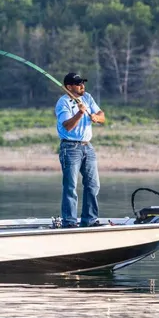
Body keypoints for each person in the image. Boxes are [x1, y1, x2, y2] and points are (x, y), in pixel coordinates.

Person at [55, 72, 105, 228]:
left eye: (83, 83)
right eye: (78, 84)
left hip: (87, 146)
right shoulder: (63, 103)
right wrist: (80, 112)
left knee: (93, 185)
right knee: (70, 186)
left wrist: (97, 117)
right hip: (70, 147)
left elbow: (102, 115)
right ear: (69, 87)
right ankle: (69, 222)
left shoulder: (88, 97)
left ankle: (89, 220)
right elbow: (67, 126)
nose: (82, 86)